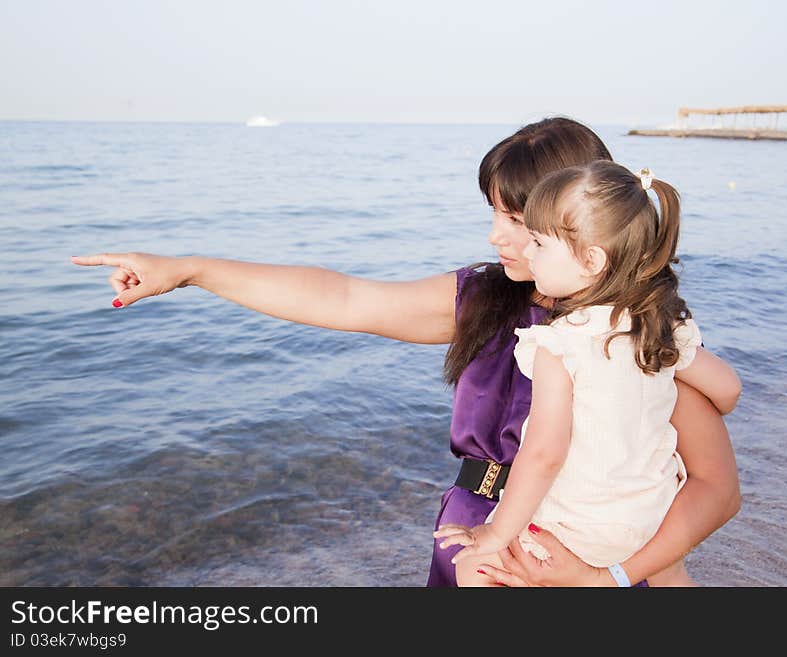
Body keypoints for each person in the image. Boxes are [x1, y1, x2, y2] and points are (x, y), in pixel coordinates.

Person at [71, 117, 740, 587]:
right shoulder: (488, 297)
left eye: (516, 218)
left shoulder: (634, 335)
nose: (497, 235)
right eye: (498, 214)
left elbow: (712, 487)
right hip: (473, 539)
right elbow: (341, 297)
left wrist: (608, 579)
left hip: (575, 558)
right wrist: (190, 269)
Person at [433, 162, 742, 587]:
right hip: (651, 519)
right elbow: (728, 390)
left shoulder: (560, 343)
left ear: (592, 260)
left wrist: (495, 531)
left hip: (581, 526)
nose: (527, 253)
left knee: (473, 565)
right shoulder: (662, 327)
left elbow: (544, 454)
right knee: (671, 574)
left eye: (539, 243)